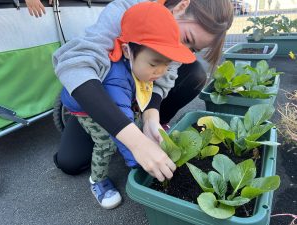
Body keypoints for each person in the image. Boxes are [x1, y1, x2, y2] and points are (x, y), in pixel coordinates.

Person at [53, 0, 233, 183]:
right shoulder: (126, 9)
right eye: (186, 39)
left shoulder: (173, 52)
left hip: (135, 91)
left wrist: (151, 118)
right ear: (180, 7)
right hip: (99, 94)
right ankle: (127, 129)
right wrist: (136, 143)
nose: (181, 51)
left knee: (194, 73)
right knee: (70, 162)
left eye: (193, 49)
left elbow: (166, 78)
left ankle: (149, 126)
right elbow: (75, 65)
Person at [60, 1, 195, 209]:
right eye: (154, 63)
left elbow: (138, 105)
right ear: (126, 51)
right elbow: (121, 125)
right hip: (86, 107)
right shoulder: (116, 81)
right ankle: (97, 181)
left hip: (117, 99)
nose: (160, 72)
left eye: (166, 65)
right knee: (106, 142)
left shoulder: (140, 66)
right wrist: (139, 160)